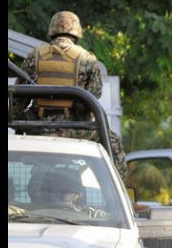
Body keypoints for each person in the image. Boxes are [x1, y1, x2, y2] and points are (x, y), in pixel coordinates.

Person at [14, 11, 127, 178]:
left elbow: (18, 97)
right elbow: (94, 95)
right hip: (74, 129)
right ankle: (120, 191)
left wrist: (20, 125)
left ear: (52, 31)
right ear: (77, 32)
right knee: (113, 142)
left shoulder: (34, 56)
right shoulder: (86, 58)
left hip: (38, 129)